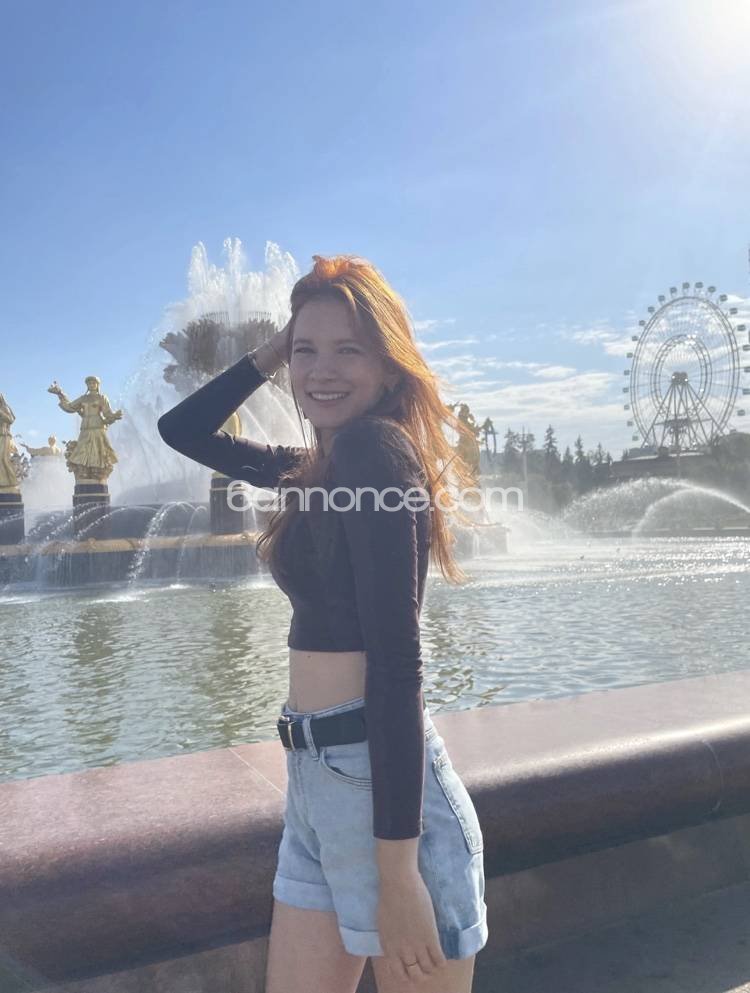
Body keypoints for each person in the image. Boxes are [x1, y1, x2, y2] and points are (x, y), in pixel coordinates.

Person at [157, 254, 487, 993]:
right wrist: (274, 350)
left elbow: (398, 663)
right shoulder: (318, 467)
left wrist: (398, 872)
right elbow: (183, 428)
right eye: (307, 351)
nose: (322, 370)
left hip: (380, 798)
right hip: (316, 782)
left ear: (390, 366)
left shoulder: (374, 450)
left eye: (349, 349)